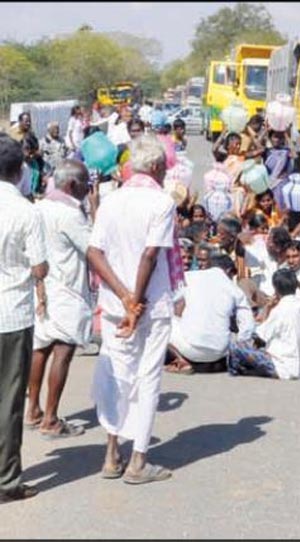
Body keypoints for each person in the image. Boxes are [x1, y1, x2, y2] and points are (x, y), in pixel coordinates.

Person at [86, 134, 180, 485]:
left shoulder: (110, 201)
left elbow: (94, 253)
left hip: (115, 303)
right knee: (147, 377)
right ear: (156, 167)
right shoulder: (161, 203)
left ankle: (111, 454)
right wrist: (136, 302)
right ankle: (138, 461)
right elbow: (151, 255)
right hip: (149, 305)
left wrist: (124, 297)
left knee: (117, 375)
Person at [26, 160, 94, 439]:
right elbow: (93, 248)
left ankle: (33, 410)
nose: (88, 190)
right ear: (72, 185)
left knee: (40, 349)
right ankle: (51, 418)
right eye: (86, 185)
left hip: (42, 288)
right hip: (67, 290)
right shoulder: (70, 215)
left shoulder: (39, 208)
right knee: (63, 352)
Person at [0, 134, 48, 502]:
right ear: (20, 171)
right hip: (12, 316)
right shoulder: (26, 211)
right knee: (9, 401)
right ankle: (6, 480)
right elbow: (39, 267)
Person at [167, 253, 254, 374]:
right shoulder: (234, 289)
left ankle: (181, 361)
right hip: (221, 352)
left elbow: (169, 300)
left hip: (189, 350)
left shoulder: (189, 277)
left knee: (165, 321)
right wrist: (241, 347)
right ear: (228, 271)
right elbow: (248, 324)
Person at [228, 268, 300, 380]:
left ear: (275, 289)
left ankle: (236, 370)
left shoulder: (280, 309)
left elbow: (259, 336)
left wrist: (267, 308)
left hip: (283, 367)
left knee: (236, 345)